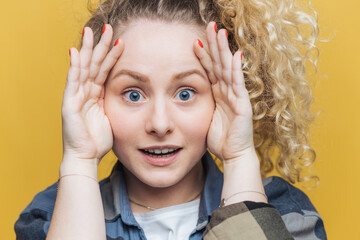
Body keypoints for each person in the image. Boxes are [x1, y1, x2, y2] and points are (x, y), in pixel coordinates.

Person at [14, 0, 327, 239]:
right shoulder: (50, 214)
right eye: (133, 94)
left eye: (186, 93)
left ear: (222, 99)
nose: (160, 124)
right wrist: (80, 161)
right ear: (97, 99)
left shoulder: (284, 211)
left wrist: (238, 159)